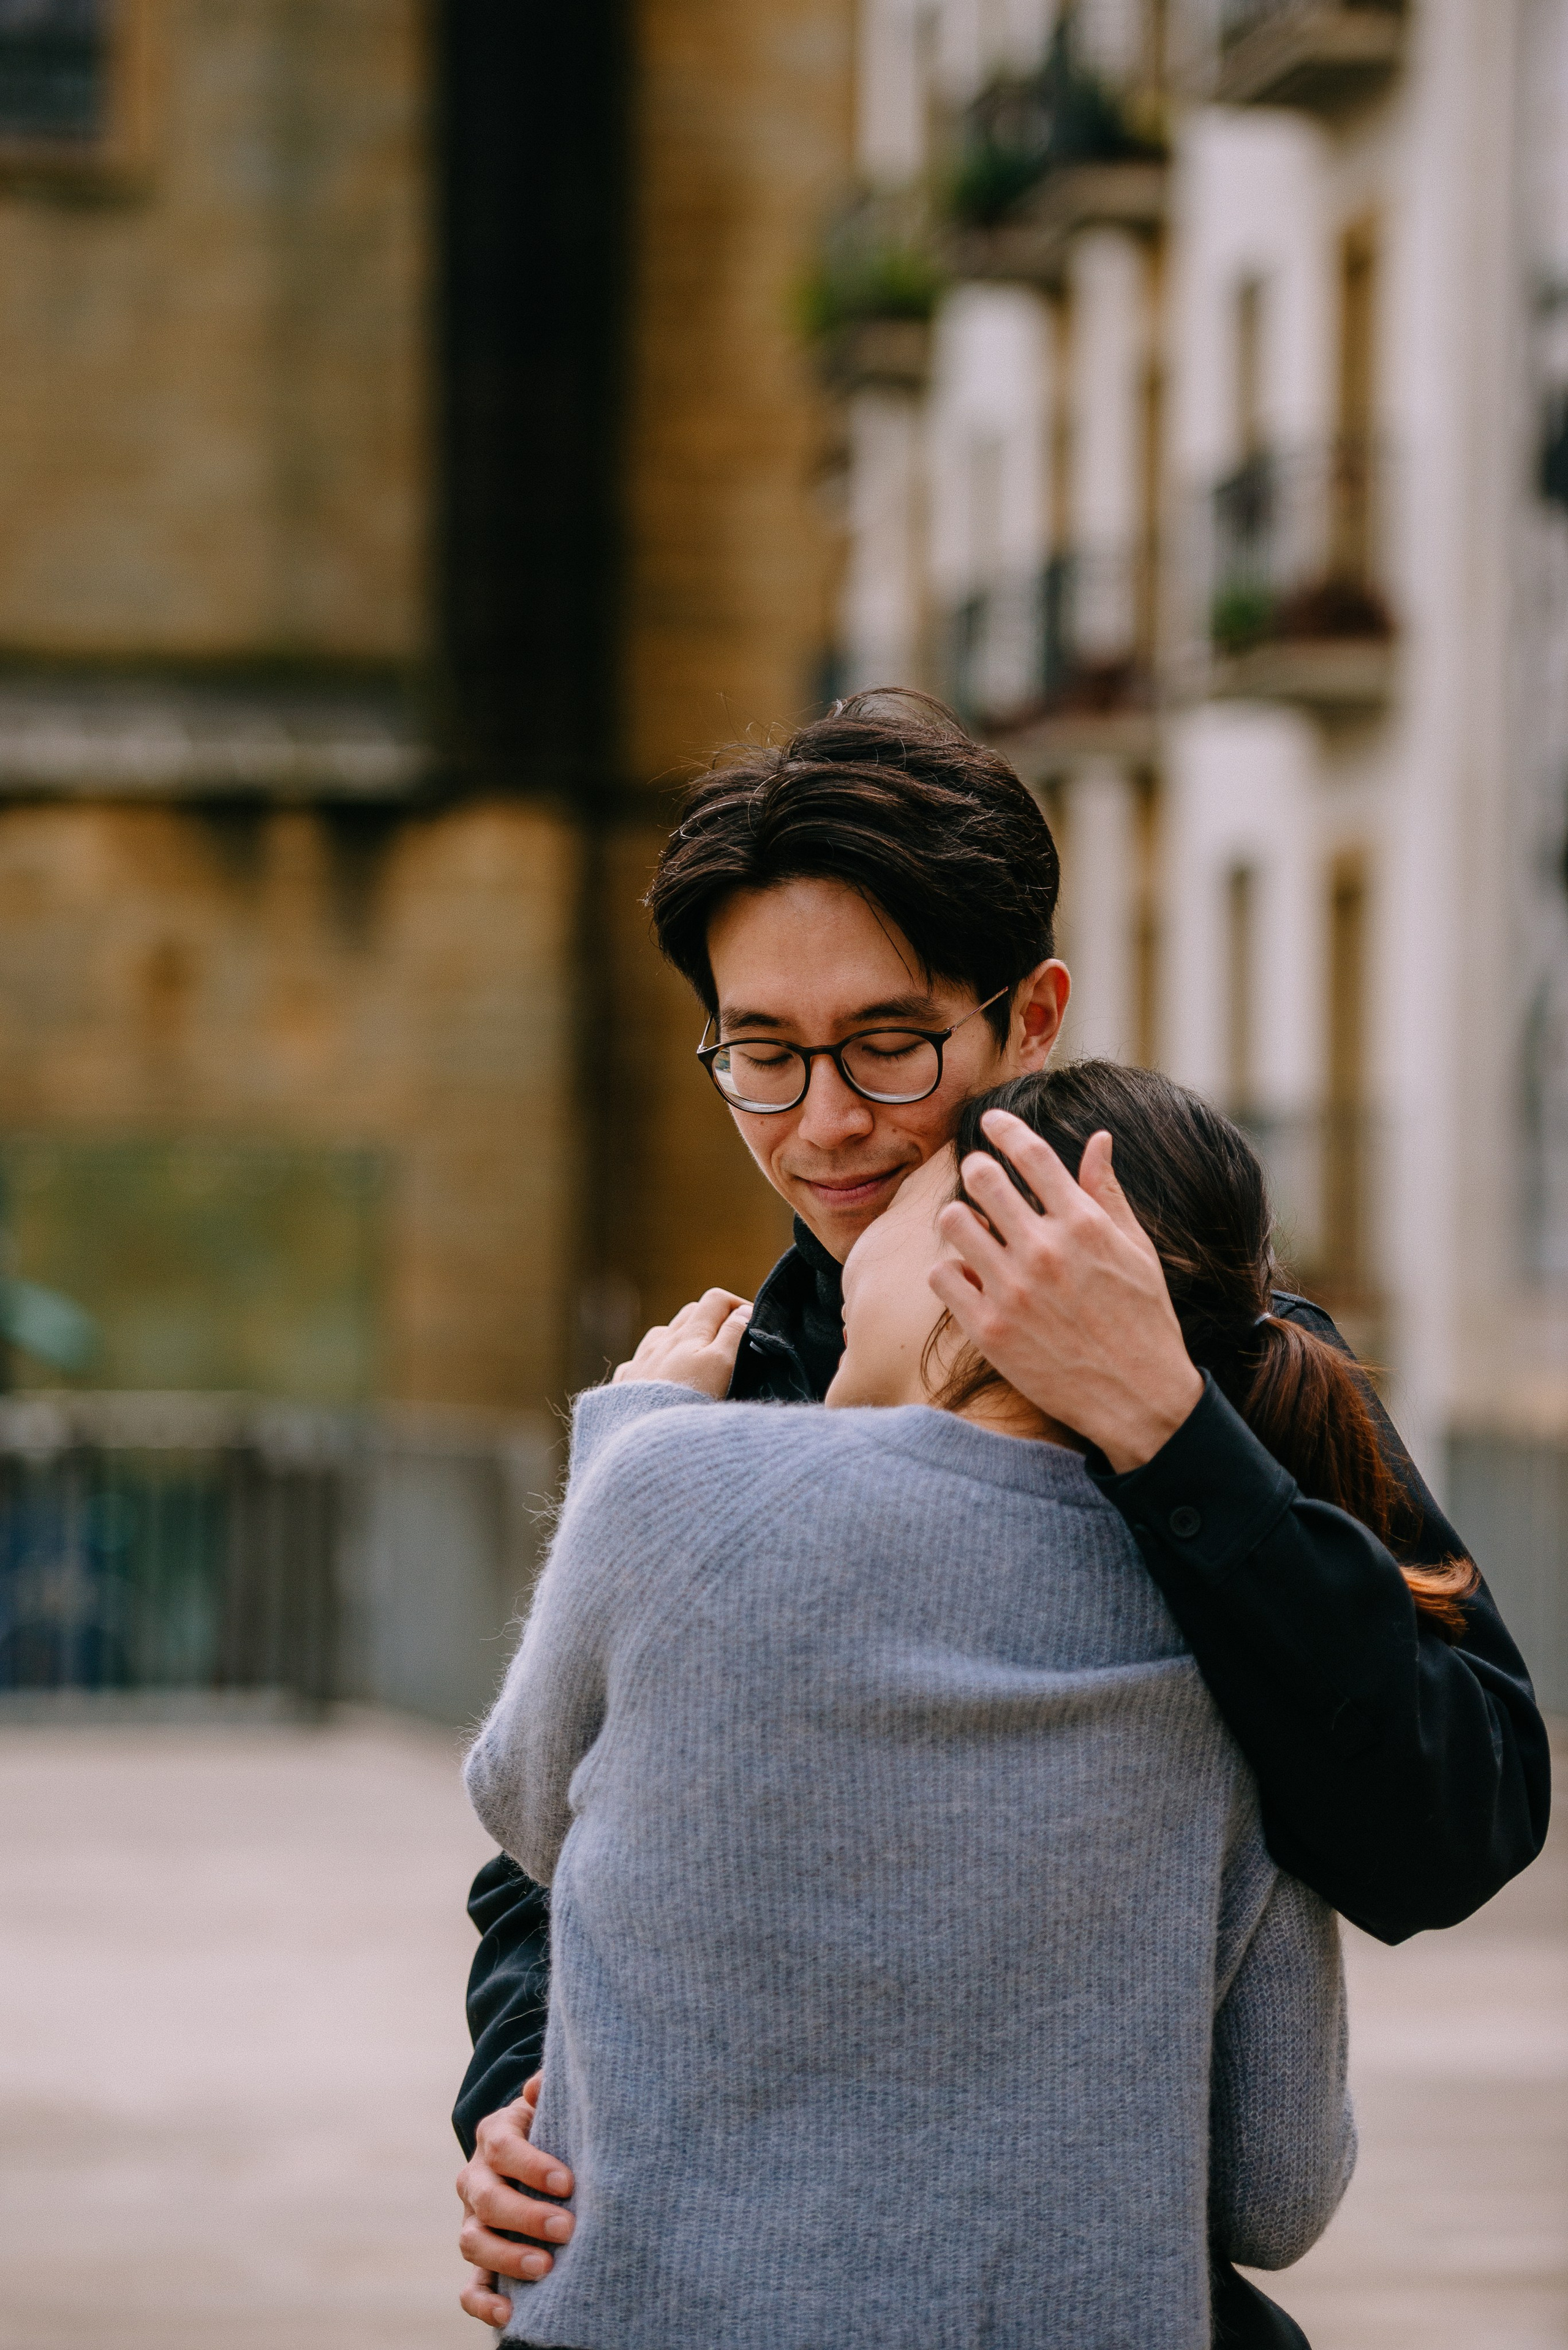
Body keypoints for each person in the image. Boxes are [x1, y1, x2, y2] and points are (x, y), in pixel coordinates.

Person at [455, 693, 1549, 2344]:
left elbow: (1461, 1816)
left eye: (889, 1041)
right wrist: (511, 2101)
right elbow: (551, 1840)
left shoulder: (1248, 1373)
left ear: (1029, 1016)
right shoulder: (722, 1393)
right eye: (762, 1050)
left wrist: (1169, 1436)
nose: (823, 1120)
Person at [462, 1063, 1363, 2349]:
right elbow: (1276, 2188)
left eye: (881, 1232)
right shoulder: (1236, 1613)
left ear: (976, 1273)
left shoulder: (672, 1484)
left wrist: (628, 1439)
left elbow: (524, 1803)